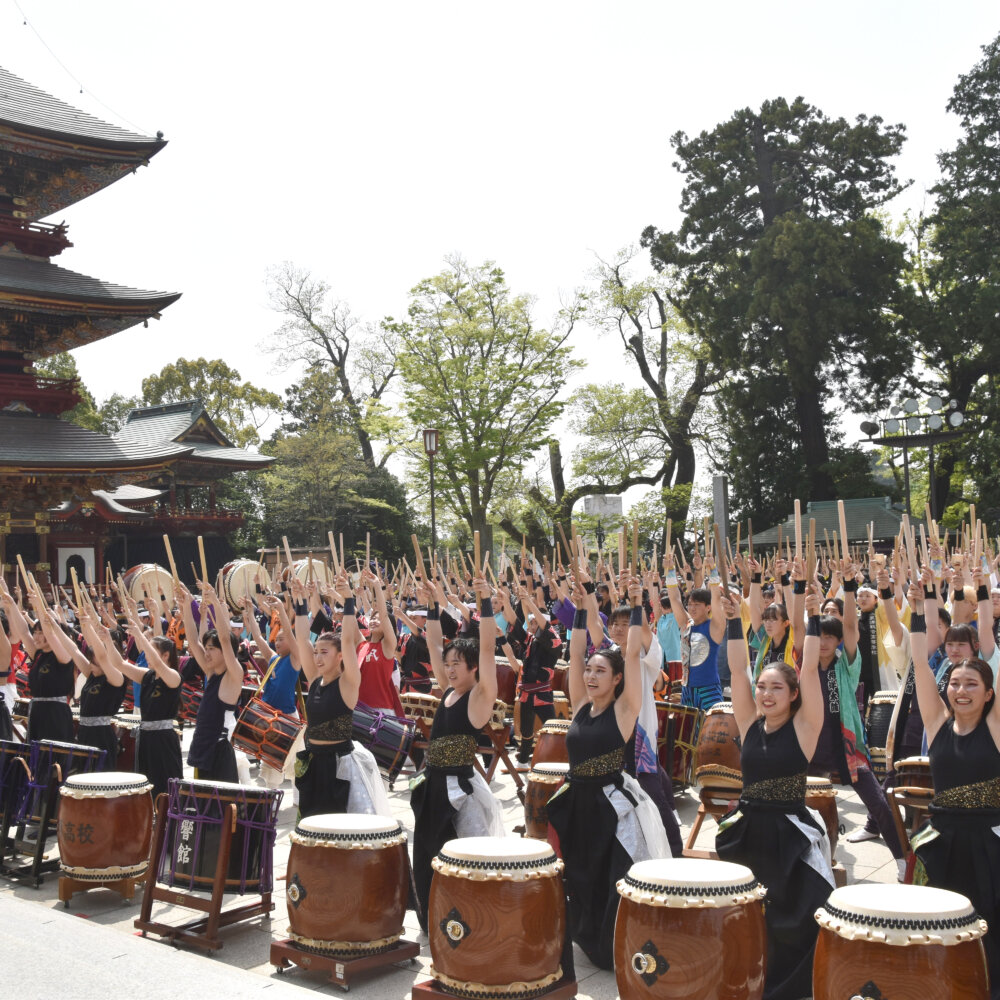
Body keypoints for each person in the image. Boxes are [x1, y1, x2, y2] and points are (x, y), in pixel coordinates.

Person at [716, 583, 834, 1000]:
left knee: (801, 918)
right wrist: (735, 619)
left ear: (793, 695)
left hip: (790, 836)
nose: (765, 694)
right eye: (762, 687)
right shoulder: (750, 724)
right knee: (745, 917)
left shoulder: (805, 727)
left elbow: (810, 670)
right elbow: (737, 671)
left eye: (776, 688)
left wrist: (812, 618)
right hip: (750, 832)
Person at [547, 574, 670, 971]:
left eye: (600, 672)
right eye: (590, 671)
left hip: (610, 806)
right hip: (577, 803)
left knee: (610, 876)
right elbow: (576, 652)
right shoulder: (580, 705)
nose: (591, 676)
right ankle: (587, 937)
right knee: (580, 876)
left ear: (616, 679)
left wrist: (636, 603)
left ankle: (614, 944)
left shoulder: (624, 709)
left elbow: (631, 655)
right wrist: (581, 608)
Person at [908, 578, 1000, 999]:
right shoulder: (936, 723)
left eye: (971, 685)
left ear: (989, 693)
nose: (961, 691)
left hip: (988, 845)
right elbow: (919, 660)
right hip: (941, 842)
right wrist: (916, 608)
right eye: (955, 684)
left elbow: (993, 651)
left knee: (988, 930)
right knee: (939, 927)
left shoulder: (994, 728)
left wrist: (984, 598)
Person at [410, 575, 504, 930]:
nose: (448, 670)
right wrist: (432, 605)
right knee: (427, 856)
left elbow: (487, 648)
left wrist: (485, 601)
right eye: (446, 665)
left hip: (460, 792)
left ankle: (473, 922)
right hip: (433, 785)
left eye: (455, 665)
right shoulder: (448, 691)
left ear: (472, 668)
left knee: (467, 859)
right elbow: (434, 643)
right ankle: (433, 919)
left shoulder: (479, 697)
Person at [292, 572, 390, 819]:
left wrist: (348, 600)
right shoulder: (315, 680)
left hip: (340, 767)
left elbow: (347, 640)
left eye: (324, 652)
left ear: (339, 657)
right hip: (314, 762)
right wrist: (300, 602)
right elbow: (302, 639)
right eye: (316, 652)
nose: (317, 657)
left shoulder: (348, 683)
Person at [84, 602, 183, 799]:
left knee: (165, 786)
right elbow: (119, 664)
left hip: (164, 740)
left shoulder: (173, 677)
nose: (146, 654)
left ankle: (168, 816)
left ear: (166, 655)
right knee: (146, 786)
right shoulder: (147, 675)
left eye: (151, 651)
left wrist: (140, 636)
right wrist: (107, 640)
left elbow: (159, 665)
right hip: (145, 738)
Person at [179, 582, 244, 783]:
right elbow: (192, 640)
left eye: (211, 649)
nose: (206, 653)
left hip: (219, 753)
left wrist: (215, 602)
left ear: (226, 652)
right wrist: (186, 605)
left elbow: (224, 639)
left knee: (221, 802)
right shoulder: (210, 673)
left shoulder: (234, 675)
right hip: (202, 749)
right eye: (206, 648)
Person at [1, 580, 75, 744]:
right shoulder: (39, 654)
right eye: (36, 632)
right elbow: (23, 631)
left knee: (52, 756)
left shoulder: (63, 655)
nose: (36, 637)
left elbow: (51, 634)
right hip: (37, 712)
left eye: (41, 633)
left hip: (55, 715)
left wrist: (39, 607)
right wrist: (11, 603)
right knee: (35, 755)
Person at [243, 592, 302, 788]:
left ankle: (297, 799)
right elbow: (258, 637)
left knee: (295, 765)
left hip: (287, 717)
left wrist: (281, 610)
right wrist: (250, 613)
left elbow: (290, 633)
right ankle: (270, 797)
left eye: (282, 639)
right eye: (276, 639)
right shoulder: (274, 659)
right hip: (269, 717)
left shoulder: (295, 659)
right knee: (270, 766)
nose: (277, 641)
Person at [665, 556, 726, 711]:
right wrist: (670, 571)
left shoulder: (714, 627)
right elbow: (675, 599)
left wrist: (713, 570)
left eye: (697, 605)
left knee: (711, 726)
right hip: (687, 689)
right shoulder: (686, 625)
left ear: (708, 607)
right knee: (687, 727)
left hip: (709, 688)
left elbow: (716, 599)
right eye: (690, 604)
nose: (692, 608)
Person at [355, 568, 404, 717]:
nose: (374, 621)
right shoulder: (362, 645)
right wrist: (344, 595)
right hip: (359, 709)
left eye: (378, 619)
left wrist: (377, 585)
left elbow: (384, 615)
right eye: (372, 618)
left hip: (381, 712)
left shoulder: (388, 646)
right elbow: (350, 616)